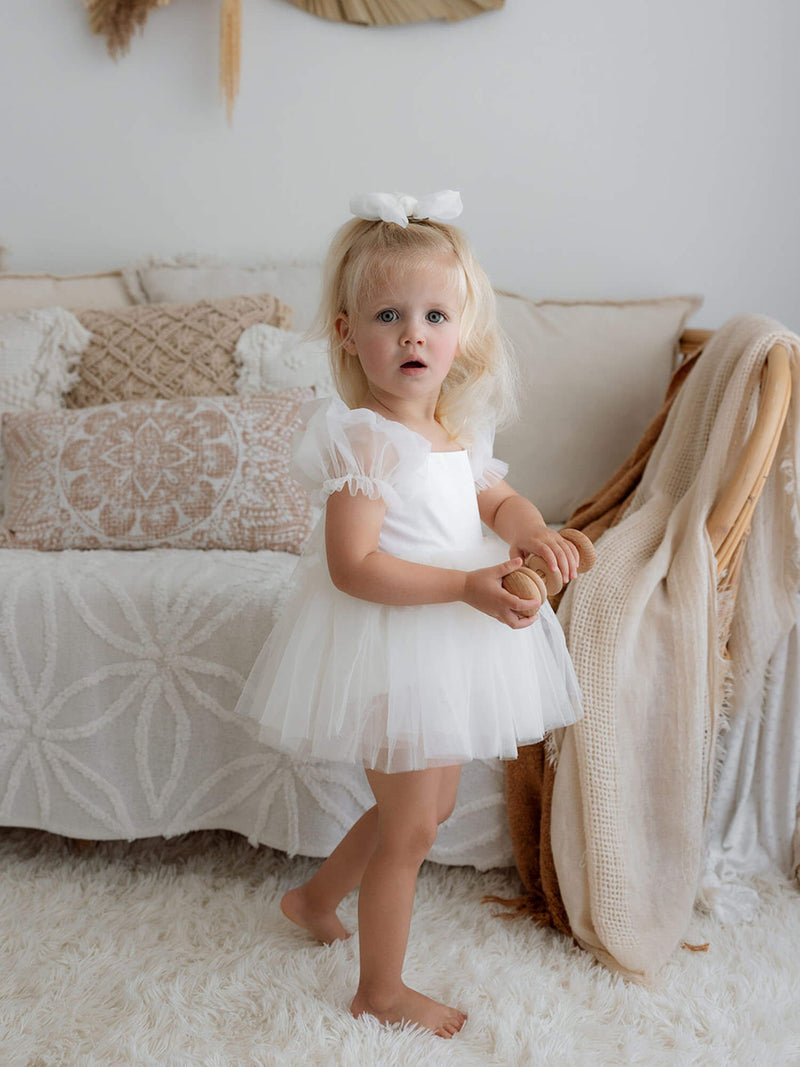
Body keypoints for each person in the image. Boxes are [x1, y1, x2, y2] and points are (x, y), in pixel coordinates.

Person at [234, 191, 584, 1039]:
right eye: (389, 315)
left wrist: (535, 530)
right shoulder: (365, 438)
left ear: (461, 330)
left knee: (420, 812)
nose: (414, 333)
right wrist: (466, 587)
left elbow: (494, 497)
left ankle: (315, 896)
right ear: (349, 333)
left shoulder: (456, 429)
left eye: (434, 314)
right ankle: (378, 992)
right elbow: (352, 566)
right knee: (409, 830)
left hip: (454, 647)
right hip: (394, 641)